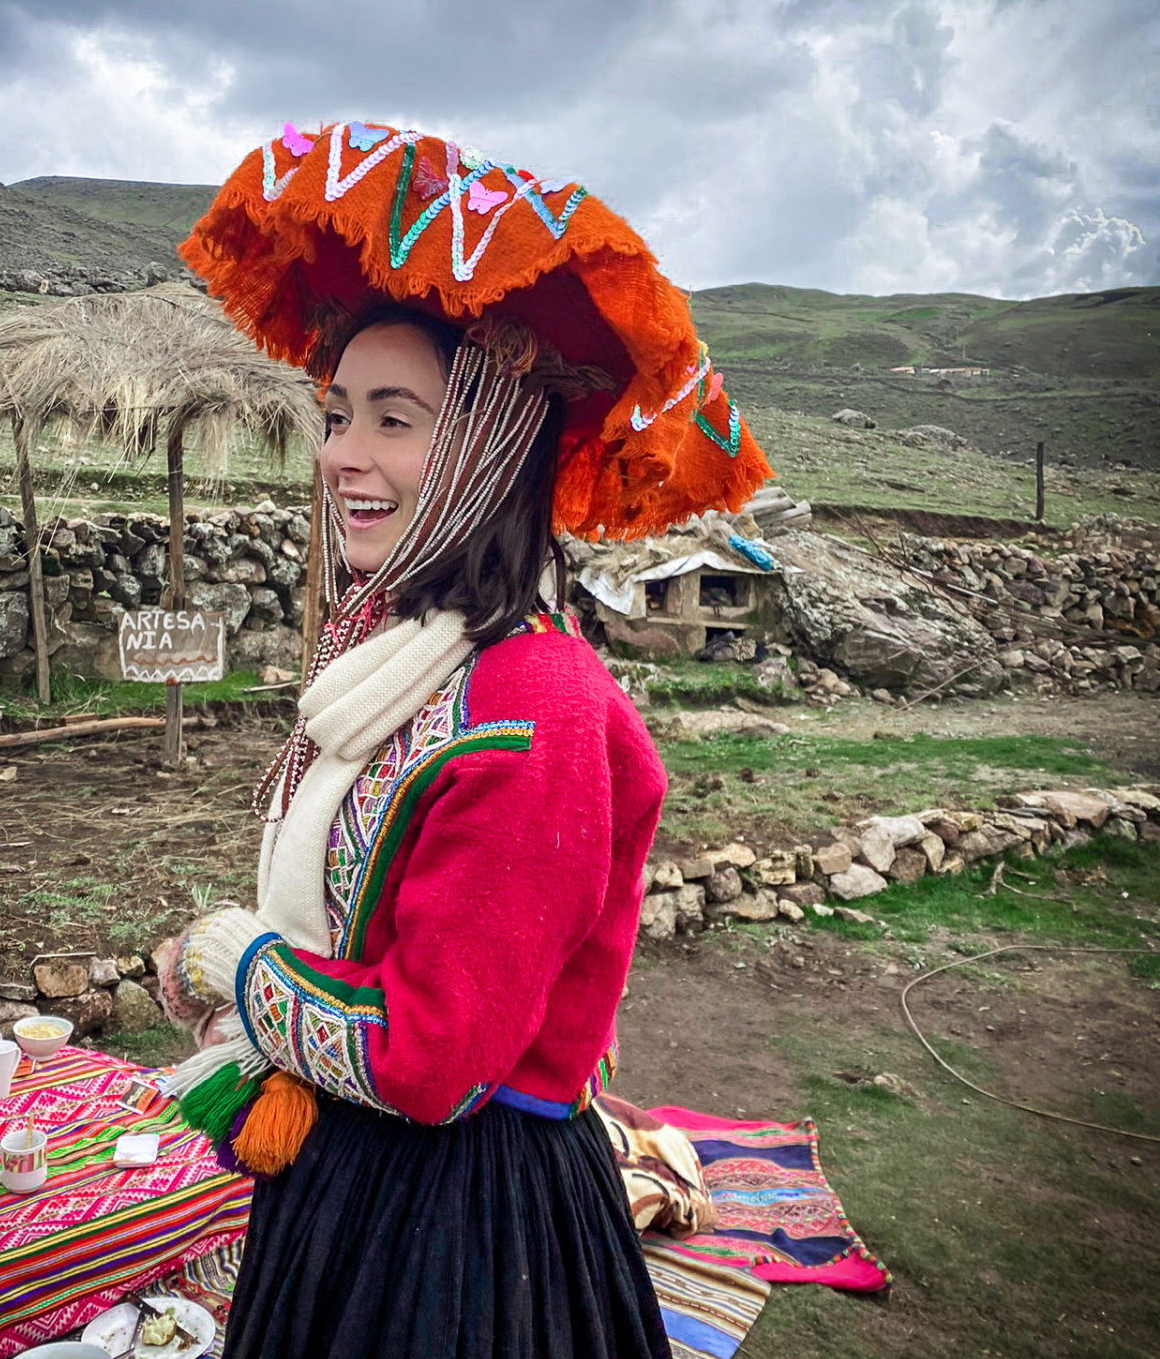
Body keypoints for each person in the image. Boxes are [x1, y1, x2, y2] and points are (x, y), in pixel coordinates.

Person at [157, 122, 771, 1359]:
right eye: (336, 415)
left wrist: (242, 968)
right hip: (346, 1183)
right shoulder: (400, 663)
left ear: (490, 450)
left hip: (456, 1239)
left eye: (394, 419)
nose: (341, 456)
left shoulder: (530, 707)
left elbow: (428, 1057)